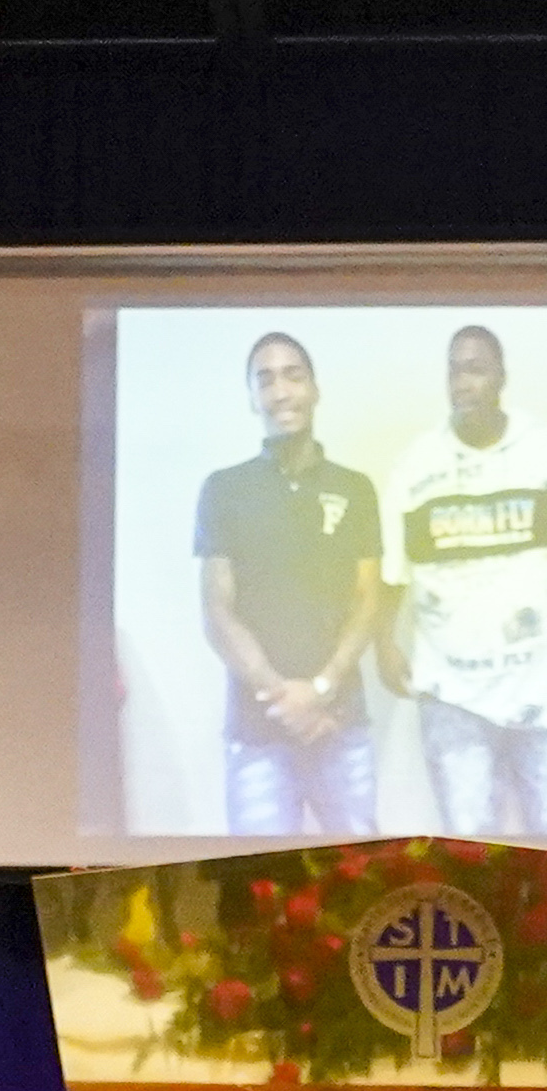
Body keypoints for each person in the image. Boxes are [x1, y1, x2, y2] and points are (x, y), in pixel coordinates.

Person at [375, 321, 547, 839]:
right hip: (454, 694)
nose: (462, 382)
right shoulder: (415, 468)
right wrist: (383, 642)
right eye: (454, 370)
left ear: (501, 377)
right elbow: (391, 574)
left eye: (475, 369)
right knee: (468, 852)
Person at [190, 326, 381, 840]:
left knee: (365, 892)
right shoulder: (224, 489)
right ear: (253, 397)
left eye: (293, 376)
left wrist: (320, 690)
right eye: (266, 379)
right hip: (257, 735)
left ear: (314, 388)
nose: (280, 391)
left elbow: (369, 601)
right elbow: (216, 610)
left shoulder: (355, 489)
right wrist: (284, 698)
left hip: (341, 724)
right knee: (258, 903)